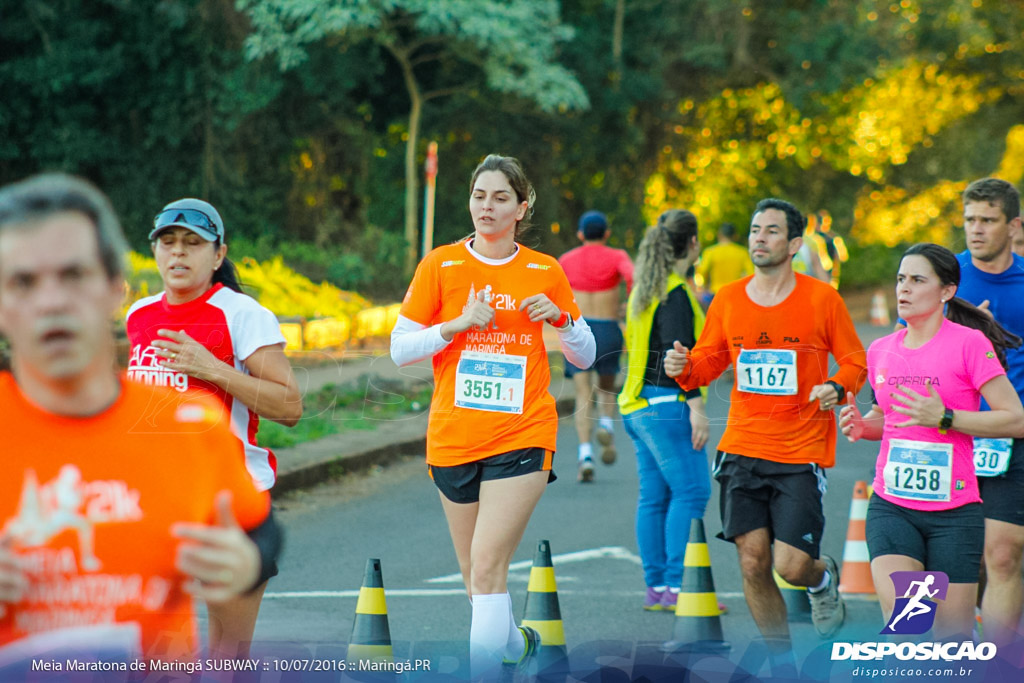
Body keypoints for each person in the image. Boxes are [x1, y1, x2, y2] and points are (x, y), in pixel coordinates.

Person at [0, 174, 276, 665]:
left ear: (112, 288)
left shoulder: (194, 425)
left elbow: (260, 528)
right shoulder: (143, 316)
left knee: (230, 664)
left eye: (73, 275)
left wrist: (250, 560)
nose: (51, 301)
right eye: (23, 281)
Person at [390, 154, 595, 677]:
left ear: (521, 207)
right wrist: (455, 324)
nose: (488, 206)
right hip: (454, 436)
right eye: (480, 195)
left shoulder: (544, 271)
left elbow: (586, 355)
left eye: (501, 197)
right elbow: (399, 350)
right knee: (476, 576)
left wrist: (565, 320)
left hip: (522, 433)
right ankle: (517, 645)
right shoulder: (441, 264)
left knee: (486, 565)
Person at [663, 198, 867, 656]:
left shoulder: (821, 299)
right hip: (742, 447)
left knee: (791, 566)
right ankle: (781, 661)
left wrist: (836, 385)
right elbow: (706, 364)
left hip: (800, 449)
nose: (760, 237)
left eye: (772, 231)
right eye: (756, 229)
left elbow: (856, 361)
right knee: (753, 562)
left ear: (794, 243)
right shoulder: (729, 299)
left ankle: (822, 578)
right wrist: (682, 365)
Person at [125, 198, 301, 658]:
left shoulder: (241, 314)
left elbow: (289, 405)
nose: (178, 253)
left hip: (229, 505)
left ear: (218, 255)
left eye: (192, 243)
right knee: (154, 653)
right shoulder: (138, 316)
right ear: (155, 251)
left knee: (227, 658)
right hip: (157, 505)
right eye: (168, 242)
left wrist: (213, 369)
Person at [839, 243, 1024, 640]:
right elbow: (886, 421)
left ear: (946, 291)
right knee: (910, 621)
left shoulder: (969, 344)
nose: (903, 289)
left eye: (917, 280)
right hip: (893, 508)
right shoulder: (881, 350)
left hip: (954, 515)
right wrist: (860, 425)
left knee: (950, 639)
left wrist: (947, 418)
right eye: (900, 279)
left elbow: (1016, 419)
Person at [618, 210, 711, 612]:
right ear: (692, 244)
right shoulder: (675, 294)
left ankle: (657, 588)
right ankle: (678, 587)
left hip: (637, 405)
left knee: (654, 498)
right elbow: (679, 358)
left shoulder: (645, 290)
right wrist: (697, 408)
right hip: (667, 404)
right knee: (692, 492)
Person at [950, 178, 1024, 647]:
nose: (976, 230)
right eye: (970, 220)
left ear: (1013, 225)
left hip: (1011, 434)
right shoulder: (943, 277)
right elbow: (904, 347)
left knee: (1001, 555)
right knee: (962, 561)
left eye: (988, 220)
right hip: (948, 434)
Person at [558, 210, 633, 481]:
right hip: (608, 328)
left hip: (578, 332)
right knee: (607, 388)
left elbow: (551, 289)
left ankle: (585, 454)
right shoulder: (617, 256)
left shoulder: (565, 260)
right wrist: (630, 303)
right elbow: (631, 277)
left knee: (582, 394)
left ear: (580, 234)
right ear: (607, 234)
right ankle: (606, 426)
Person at [695, 222, 752, 307]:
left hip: (715, 294)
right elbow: (751, 274)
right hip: (735, 295)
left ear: (719, 235)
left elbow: (701, 272)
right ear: (735, 236)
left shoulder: (710, 252)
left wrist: (703, 288)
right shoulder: (742, 252)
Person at [813, 211, 849, 290]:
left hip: (815, 273)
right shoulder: (834, 238)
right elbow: (842, 257)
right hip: (828, 272)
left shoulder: (809, 238)